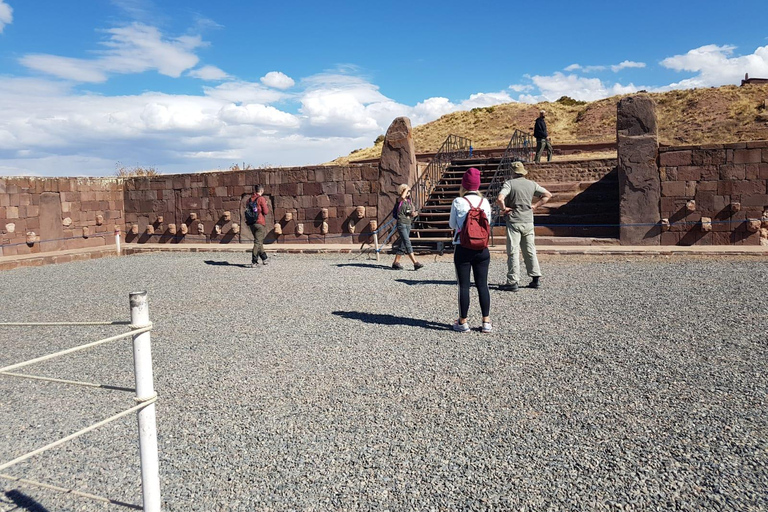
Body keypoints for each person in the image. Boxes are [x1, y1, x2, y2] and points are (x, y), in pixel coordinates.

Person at [448, 167, 492, 333]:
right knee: (483, 285)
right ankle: (486, 322)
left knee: (464, 286)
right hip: (482, 248)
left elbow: (452, 224)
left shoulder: (458, 202)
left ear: (464, 185)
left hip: (463, 246)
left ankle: (463, 321)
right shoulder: (485, 202)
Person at [496, 162, 552, 291]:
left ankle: (513, 281)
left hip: (514, 220)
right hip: (528, 221)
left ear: (512, 172)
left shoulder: (509, 184)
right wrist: (535, 206)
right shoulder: (531, 184)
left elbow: (500, 198)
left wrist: (504, 208)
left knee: (513, 251)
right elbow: (548, 195)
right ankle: (535, 277)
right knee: (530, 249)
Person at [391, 184, 424, 270]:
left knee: (403, 244)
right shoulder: (399, 200)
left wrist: (413, 213)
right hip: (401, 224)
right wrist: (406, 189)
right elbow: (402, 197)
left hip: (408, 223)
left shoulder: (408, 201)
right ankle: (415, 263)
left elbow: (409, 212)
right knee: (407, 242)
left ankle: (396, 262)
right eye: (407, 191)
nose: (409, 192)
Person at [245, 185, 270, 267]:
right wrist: (265, 204)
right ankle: (254, 261)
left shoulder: (248, 200)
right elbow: (266, 212)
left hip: (251, 223)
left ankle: (264, 258)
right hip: (259, 222)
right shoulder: (261, 199)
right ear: (261, 191)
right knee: (257, 242)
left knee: (259, 241)